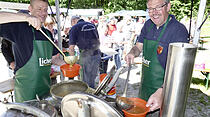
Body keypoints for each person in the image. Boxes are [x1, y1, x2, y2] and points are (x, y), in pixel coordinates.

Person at [125, 0, 189, 115]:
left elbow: (179, 70)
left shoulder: (179, 30)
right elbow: (138, 47)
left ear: (168, 6)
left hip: (166, 92)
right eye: (150, 9)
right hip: (145, 89)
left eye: (158, 7)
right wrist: (132, 53)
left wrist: (163, 92)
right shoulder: (148, 25)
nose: (154, 12)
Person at [0, 0, 65, 103]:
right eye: (39, 9)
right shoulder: (20, 28)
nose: (43, 13)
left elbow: (52, 59)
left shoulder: (48, 34)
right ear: (30, 9)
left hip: (45, 91)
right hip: (26, 93)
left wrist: (67, 64)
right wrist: (25, 17)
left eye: (45, 10)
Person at [68, 16, 101, 89]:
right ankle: (92, 93)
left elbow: (71, 48)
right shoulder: (92, 25)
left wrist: (72, 62)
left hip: (86, 55)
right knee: (92, 78)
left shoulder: (74, 28)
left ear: (73, 21)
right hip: (97, 53)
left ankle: (86, 96)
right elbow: (98, 40)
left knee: (85, 81)